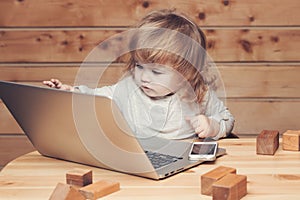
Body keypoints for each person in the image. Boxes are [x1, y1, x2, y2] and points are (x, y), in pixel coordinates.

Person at [43, 9, 234, 140]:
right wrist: (71, 91)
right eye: (139, 66)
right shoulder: (130, 87)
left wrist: (213, 127)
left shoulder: (200, 96)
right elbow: (99, 96)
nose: (144, 77)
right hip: (141, 163)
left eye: (156, 72)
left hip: (188, 168)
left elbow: (227, 119)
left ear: (188, 74)